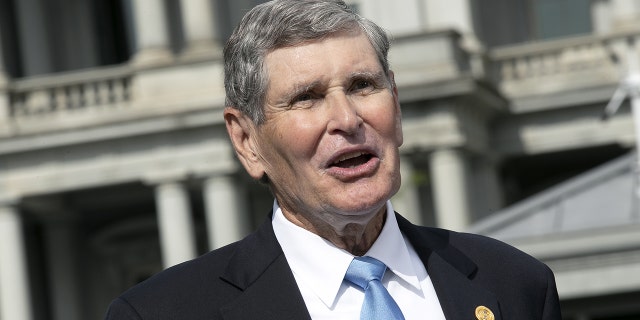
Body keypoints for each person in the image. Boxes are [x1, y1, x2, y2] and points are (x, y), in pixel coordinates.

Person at [105, 0, 561, 319]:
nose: (347, 118)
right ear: (246, 140)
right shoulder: (160, 313)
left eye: (363, 86)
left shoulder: (515, 284)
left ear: (396, 107)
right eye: (307, 98)